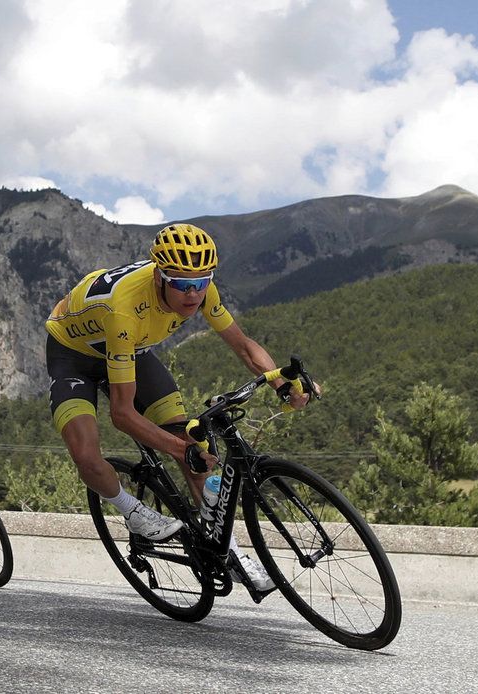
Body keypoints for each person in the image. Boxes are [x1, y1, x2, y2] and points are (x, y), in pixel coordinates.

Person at [45, 223, 316, 591]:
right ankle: (132, 512)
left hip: (131, 352)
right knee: (88, 456)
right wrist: (178, 448)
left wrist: (282, 384)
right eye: (182, 284)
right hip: (74, 357)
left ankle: (229, 550)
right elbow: (122, 415)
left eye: (201, 282)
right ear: (159, 277)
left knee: (193, 443)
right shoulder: (125, 309)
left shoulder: (200, 289)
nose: (192, 294)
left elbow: (242, 346)